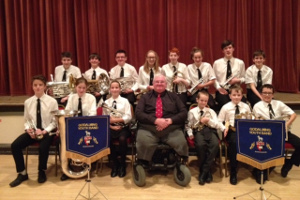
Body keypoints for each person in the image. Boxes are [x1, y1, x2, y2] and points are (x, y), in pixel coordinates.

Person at [10, 75, 58, 187]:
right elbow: (27, 120)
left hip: (46, 132)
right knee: (15, 145)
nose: (38, 87)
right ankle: (22, 173)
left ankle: (41, 171)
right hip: (33, 132)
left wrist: (44, 131)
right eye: (35, 85)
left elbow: (54, 122)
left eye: (40, 85)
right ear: (32, 87)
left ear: (45, 86)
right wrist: (28, 129)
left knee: (43, 147)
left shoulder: (52, 101)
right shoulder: (28, 102)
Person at [135, 74, 188, 165]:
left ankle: (178, 162)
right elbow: (138, 113)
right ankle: (144, 162)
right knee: (143, 142)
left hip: (171, 128)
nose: (159, 84)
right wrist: (155, 121)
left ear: (166, 84)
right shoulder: (145, 97)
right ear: (153, 83)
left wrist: (170, 121)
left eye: (162, 82)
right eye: (157, 82)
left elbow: (184, 112)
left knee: (181, 142)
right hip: (149, 127)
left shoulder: (174, 96)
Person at [253, 84, 300, 179]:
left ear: (273, 95)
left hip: (283, 132)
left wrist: (287, 124)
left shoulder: (278, 104)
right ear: (261, 94)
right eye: (265, 93)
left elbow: (293, 114)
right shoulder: (257, 106)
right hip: (267, 134)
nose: (267, 95)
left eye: (269, 93)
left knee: (299, 144)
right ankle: (267, 169)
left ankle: (288, 164)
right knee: (275, 149)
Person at [186, 90, 227, 185]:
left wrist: (208, 120)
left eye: (205, 101)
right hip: (198, 131)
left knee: (215, 144)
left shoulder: (211, 111)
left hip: (210, 130)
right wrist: (190, 134)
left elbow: (217, 124)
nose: (203, 103)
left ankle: (204, 171)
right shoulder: (191, 112)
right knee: (200, 145)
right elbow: (188, 125)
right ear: (197, 100)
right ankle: (207, 172)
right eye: (201, 100)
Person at [60, 77, 97, 181]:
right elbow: (67, 111)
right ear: (75, 87)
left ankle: (88, 165)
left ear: (87, 88)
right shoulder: (72, 98)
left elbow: (93, 113)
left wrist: (83, 123)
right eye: (79, 87)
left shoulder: (91, 98)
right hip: (74, 125)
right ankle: (66, 168)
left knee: (87, 140)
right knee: (65, 141)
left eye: (84, 88)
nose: (81, 90)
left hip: (87, 125)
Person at [218, 84, 251, 185]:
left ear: (242, 96)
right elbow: (219, 121)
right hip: (231, 130)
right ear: (230, 96)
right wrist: (224, 128)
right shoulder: (225, 107)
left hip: (244, 130)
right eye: (234, 95)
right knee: (234, 143)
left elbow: (250, 118)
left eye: (239, 95)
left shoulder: (246, 106)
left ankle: (257, 168)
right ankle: (233, 171)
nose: (236, 97)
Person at [102, 80, 132, 178]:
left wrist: (117, 119)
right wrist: (111, 125)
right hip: (110, 127)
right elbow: (104, 118)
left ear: (120, 89)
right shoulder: (106, 103)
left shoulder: (125, 101)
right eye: (112, 88)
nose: (114, 89)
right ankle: (115, 164)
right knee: (107, 139)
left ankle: (122, 164)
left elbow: (128, 116)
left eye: (116, 87)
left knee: (122, 139)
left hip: (123, 127)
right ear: (110, 90)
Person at [213, 40, 246, 110]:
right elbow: (214, 79)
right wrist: (219, 88)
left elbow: (244, 78)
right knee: (225, 104)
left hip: (236, 90)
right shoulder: (217, 63)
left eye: (230, 48)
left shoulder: (240, 62)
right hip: (222, 90)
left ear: (233, 49)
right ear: (223, 51)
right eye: (225, 48)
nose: (228, 50)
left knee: (242, 104)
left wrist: (237, 80)